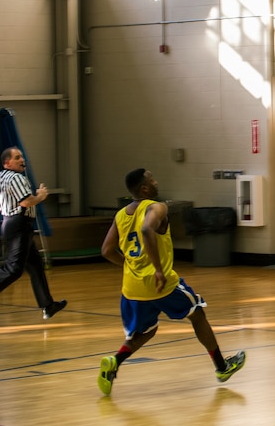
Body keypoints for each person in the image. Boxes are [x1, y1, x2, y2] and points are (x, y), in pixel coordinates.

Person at [97, 168, 245, 395]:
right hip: (161, 283)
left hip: (132, 288)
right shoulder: (158, 207)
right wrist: (157, 269)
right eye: (152, 179)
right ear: (145, 188)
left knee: (145, 332)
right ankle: (222, 367)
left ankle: (114, 362)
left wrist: (128, 265)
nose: (156, 181)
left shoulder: (120, 215)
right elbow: (147, 229)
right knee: (197, 312)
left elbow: (106, 250)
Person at [0, 147, 67, 325]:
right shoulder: (17, 178)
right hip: (19, 224)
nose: (22, 160)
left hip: (9, 223)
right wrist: (41, 196)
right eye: (17, 157)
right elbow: (26, 201)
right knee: (13, 269)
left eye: (22, 156)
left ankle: (48, 305)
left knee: (35, 265)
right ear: (7, 163)